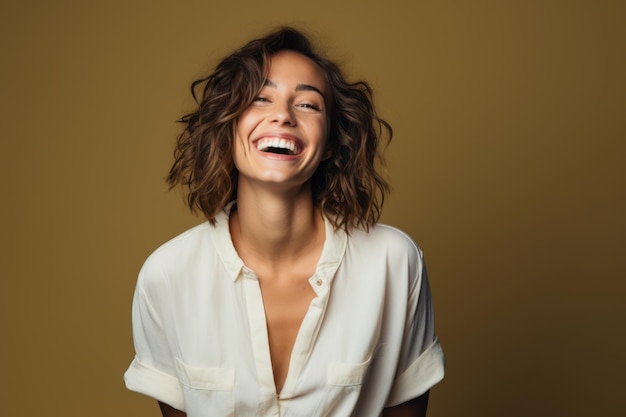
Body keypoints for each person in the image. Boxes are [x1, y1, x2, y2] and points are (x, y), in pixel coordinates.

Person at [124, 27, 444, 417]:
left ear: (329, 143)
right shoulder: (167, 275)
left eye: (308, 104)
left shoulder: (394, 263)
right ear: (229, 127)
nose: (283, 116)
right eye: (260, 99)